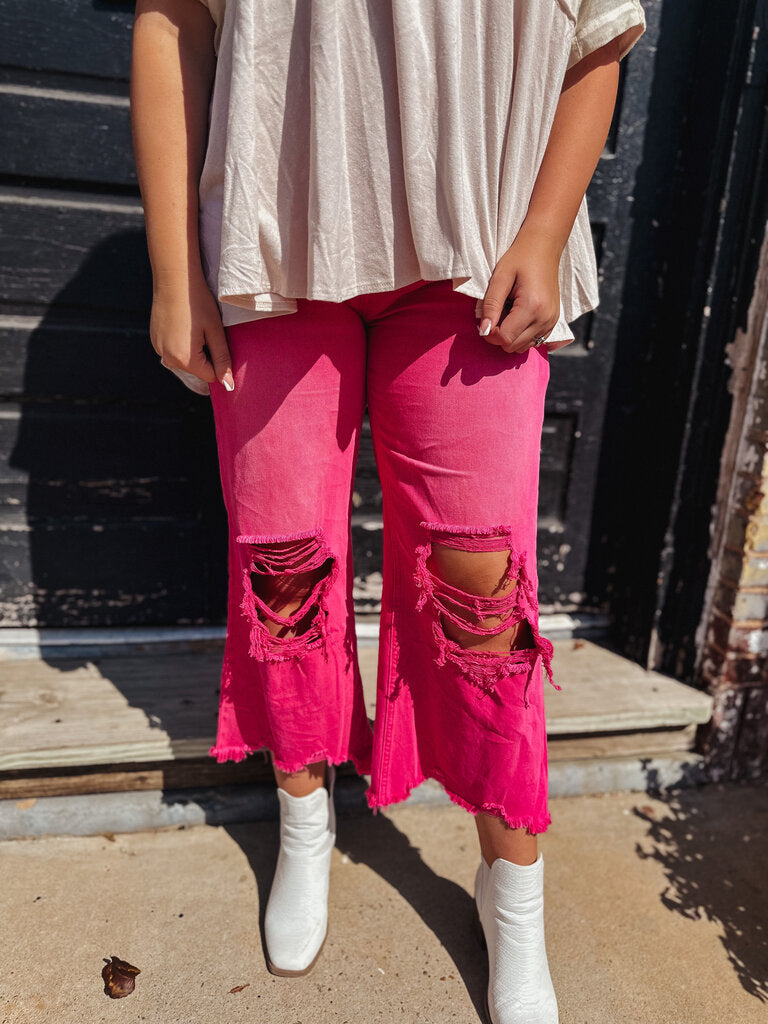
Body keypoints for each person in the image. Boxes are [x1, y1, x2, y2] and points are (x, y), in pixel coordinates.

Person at [130, 2, 646, 1021]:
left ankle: (514, 892)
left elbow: (598, 37)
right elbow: (172, 22)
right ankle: (305, 813)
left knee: (483, 592)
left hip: (474, 254)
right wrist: (170, 261)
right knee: (283, 566)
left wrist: (545, 230)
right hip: (273, 243)